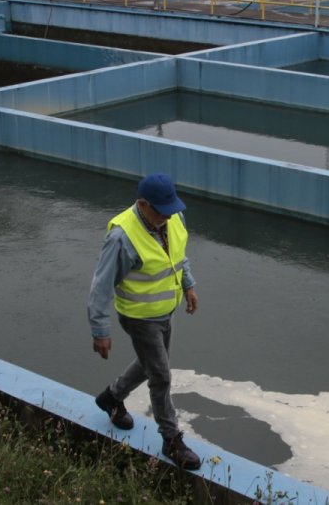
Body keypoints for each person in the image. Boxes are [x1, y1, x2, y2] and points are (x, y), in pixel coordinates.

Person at [87, 173, 202, 470]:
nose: (168, 216)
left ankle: (111, 397)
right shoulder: (122, 237)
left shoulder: (173, 217)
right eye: (161, 212)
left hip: (165, 310)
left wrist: (188, 285)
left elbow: (178, 256)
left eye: (171, 210)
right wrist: (100, 330)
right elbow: (101, 286)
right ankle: (171, 439)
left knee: (151, 363)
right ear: (142, 204)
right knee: (161, 375)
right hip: (139, 317)